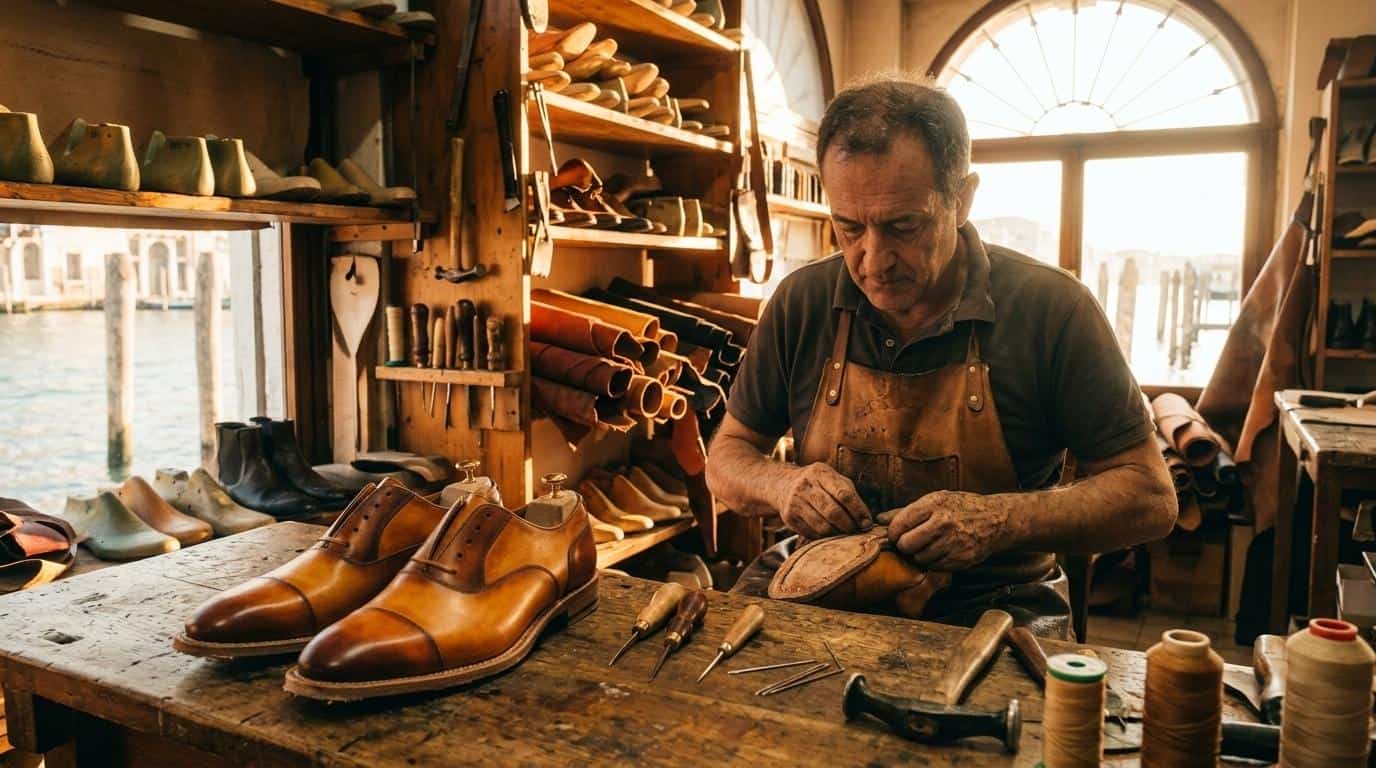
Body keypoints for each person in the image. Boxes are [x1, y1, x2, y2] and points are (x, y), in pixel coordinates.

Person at [706, 78, 1177, 638]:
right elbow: (726, 461)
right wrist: (783, 486)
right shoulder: (801, 302)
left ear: (962, 198)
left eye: (904, 225)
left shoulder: (1053, 309)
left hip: (995, 600)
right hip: (826, 582)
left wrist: (999, 520)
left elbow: (1150, 496)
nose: (873, 259)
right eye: (849, 227)